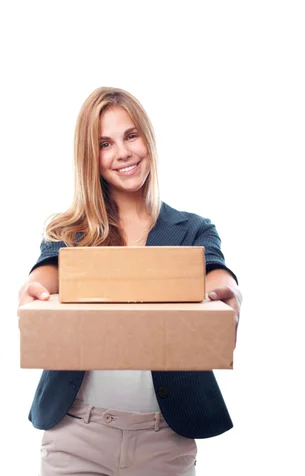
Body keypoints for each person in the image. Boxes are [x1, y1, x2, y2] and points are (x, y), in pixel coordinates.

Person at [18, 87, 242, 476]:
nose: (122, 153)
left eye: (131, 136)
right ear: (91, 156)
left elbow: (213, 269)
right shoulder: (71, 230)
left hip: (164, 440)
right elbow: (52, 267)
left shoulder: (191, 229)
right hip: (77, 435)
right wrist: (34, 286)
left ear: (148, 140)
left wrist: (229, 290)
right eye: (105, 143)